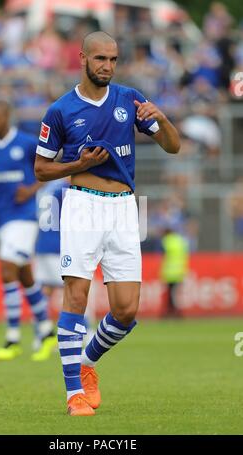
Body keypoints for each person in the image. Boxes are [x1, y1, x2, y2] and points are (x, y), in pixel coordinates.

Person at [34, 31, 180, 416]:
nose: (108, 66)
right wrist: (77, 166)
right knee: (77, 297)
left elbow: (173, 146)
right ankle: (73, 396)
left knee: (127, 310)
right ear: (82, 58)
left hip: (125, 208)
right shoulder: (61, 110)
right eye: (100, 59)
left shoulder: (130, 99)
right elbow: (41, 168)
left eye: (113, 60)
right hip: (82, 204)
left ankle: (87, 365)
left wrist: (162, 117)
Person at [0, 100, 56, 361]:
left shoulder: (27, 144)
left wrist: (30, 190)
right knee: (25, 276)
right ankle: (46, 330)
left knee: (7, 269)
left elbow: (47, 170)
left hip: (26, 216)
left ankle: (12, 338)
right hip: (3, 219)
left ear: (7, 116)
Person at [33, 177, 95, 361]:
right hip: (60, 244)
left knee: (45, 291)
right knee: (74, 288)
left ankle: (41, 334)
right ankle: (86, 331)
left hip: (42, 244)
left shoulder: (45, 189)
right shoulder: (66, 189)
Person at [160, 227, 189, 318]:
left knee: (171, 294)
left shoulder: (167, 241)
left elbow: (161, 253)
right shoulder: (181, 241)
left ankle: (172, 312)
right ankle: (174, 311)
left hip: (170, 272)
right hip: (179, 271)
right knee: (174, 294)